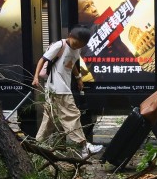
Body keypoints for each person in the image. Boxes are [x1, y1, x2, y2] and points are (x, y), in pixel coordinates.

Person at [31, 26, 103, 159]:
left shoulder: (77, 49)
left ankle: (37, 147)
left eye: (81, 45)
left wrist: (78, 78)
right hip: (57, 89)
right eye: (76, 43)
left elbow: (72, 63)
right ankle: (83, 146)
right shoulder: (59, 45)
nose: (77, 47)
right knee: (72, 114)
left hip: (59, 89)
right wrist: (36, 77)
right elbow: (43, 59)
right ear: (70, 36)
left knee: (50, 120)